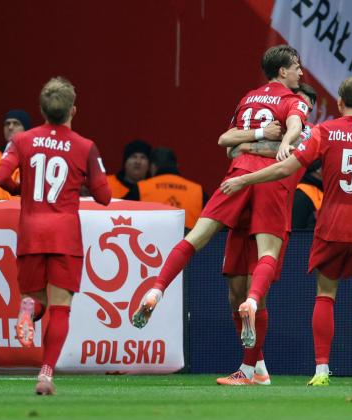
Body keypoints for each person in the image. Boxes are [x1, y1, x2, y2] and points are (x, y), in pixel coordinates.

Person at [220, 77, 352, 386]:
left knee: (326, 295)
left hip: (332, 224)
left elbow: (286, 167)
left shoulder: (324, 131)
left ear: (339, 102)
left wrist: (245, 179)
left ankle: (321, 370)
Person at [131, 45, 309, 356]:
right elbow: (292, 129)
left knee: (196, 238)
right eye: (296, 67)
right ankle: (251, 303)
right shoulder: (294, 102)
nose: (301, 72)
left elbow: (229, 144)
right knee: (266, 257)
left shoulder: (248, 99)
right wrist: (284, 141)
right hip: (270, 181)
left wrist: (250, 142)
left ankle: (157, 288)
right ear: (282, 71)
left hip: (235, 175)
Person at [0, 77, 111, 395]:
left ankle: (28, 309)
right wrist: (83, 181)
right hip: (64, 236)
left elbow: (0, 176)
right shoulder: (85, 146)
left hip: (31, 233)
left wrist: (22, 190)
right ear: (73, 109)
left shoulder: (21, 140)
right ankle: (45, 375)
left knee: (38, 300)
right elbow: (104, 196)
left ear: (42, 110)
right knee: (60, 308)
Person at [215, 83, 317, 386]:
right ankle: (258, 367)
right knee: (235, 294)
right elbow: (228, 147)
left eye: (304, 106)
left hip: (272, 210)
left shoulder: (309, 134)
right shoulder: (270, 126)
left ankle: (249, 369)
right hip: (244, 207)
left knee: (254, 294)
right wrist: (255, 142)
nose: (297, 109)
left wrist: (246, 146)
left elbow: (277, 160)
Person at [137, 147, 205, 229]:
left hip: (152, 239)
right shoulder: (197, 190)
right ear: (176, 166)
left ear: (153, 166)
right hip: (189, 240)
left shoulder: (141, 187)